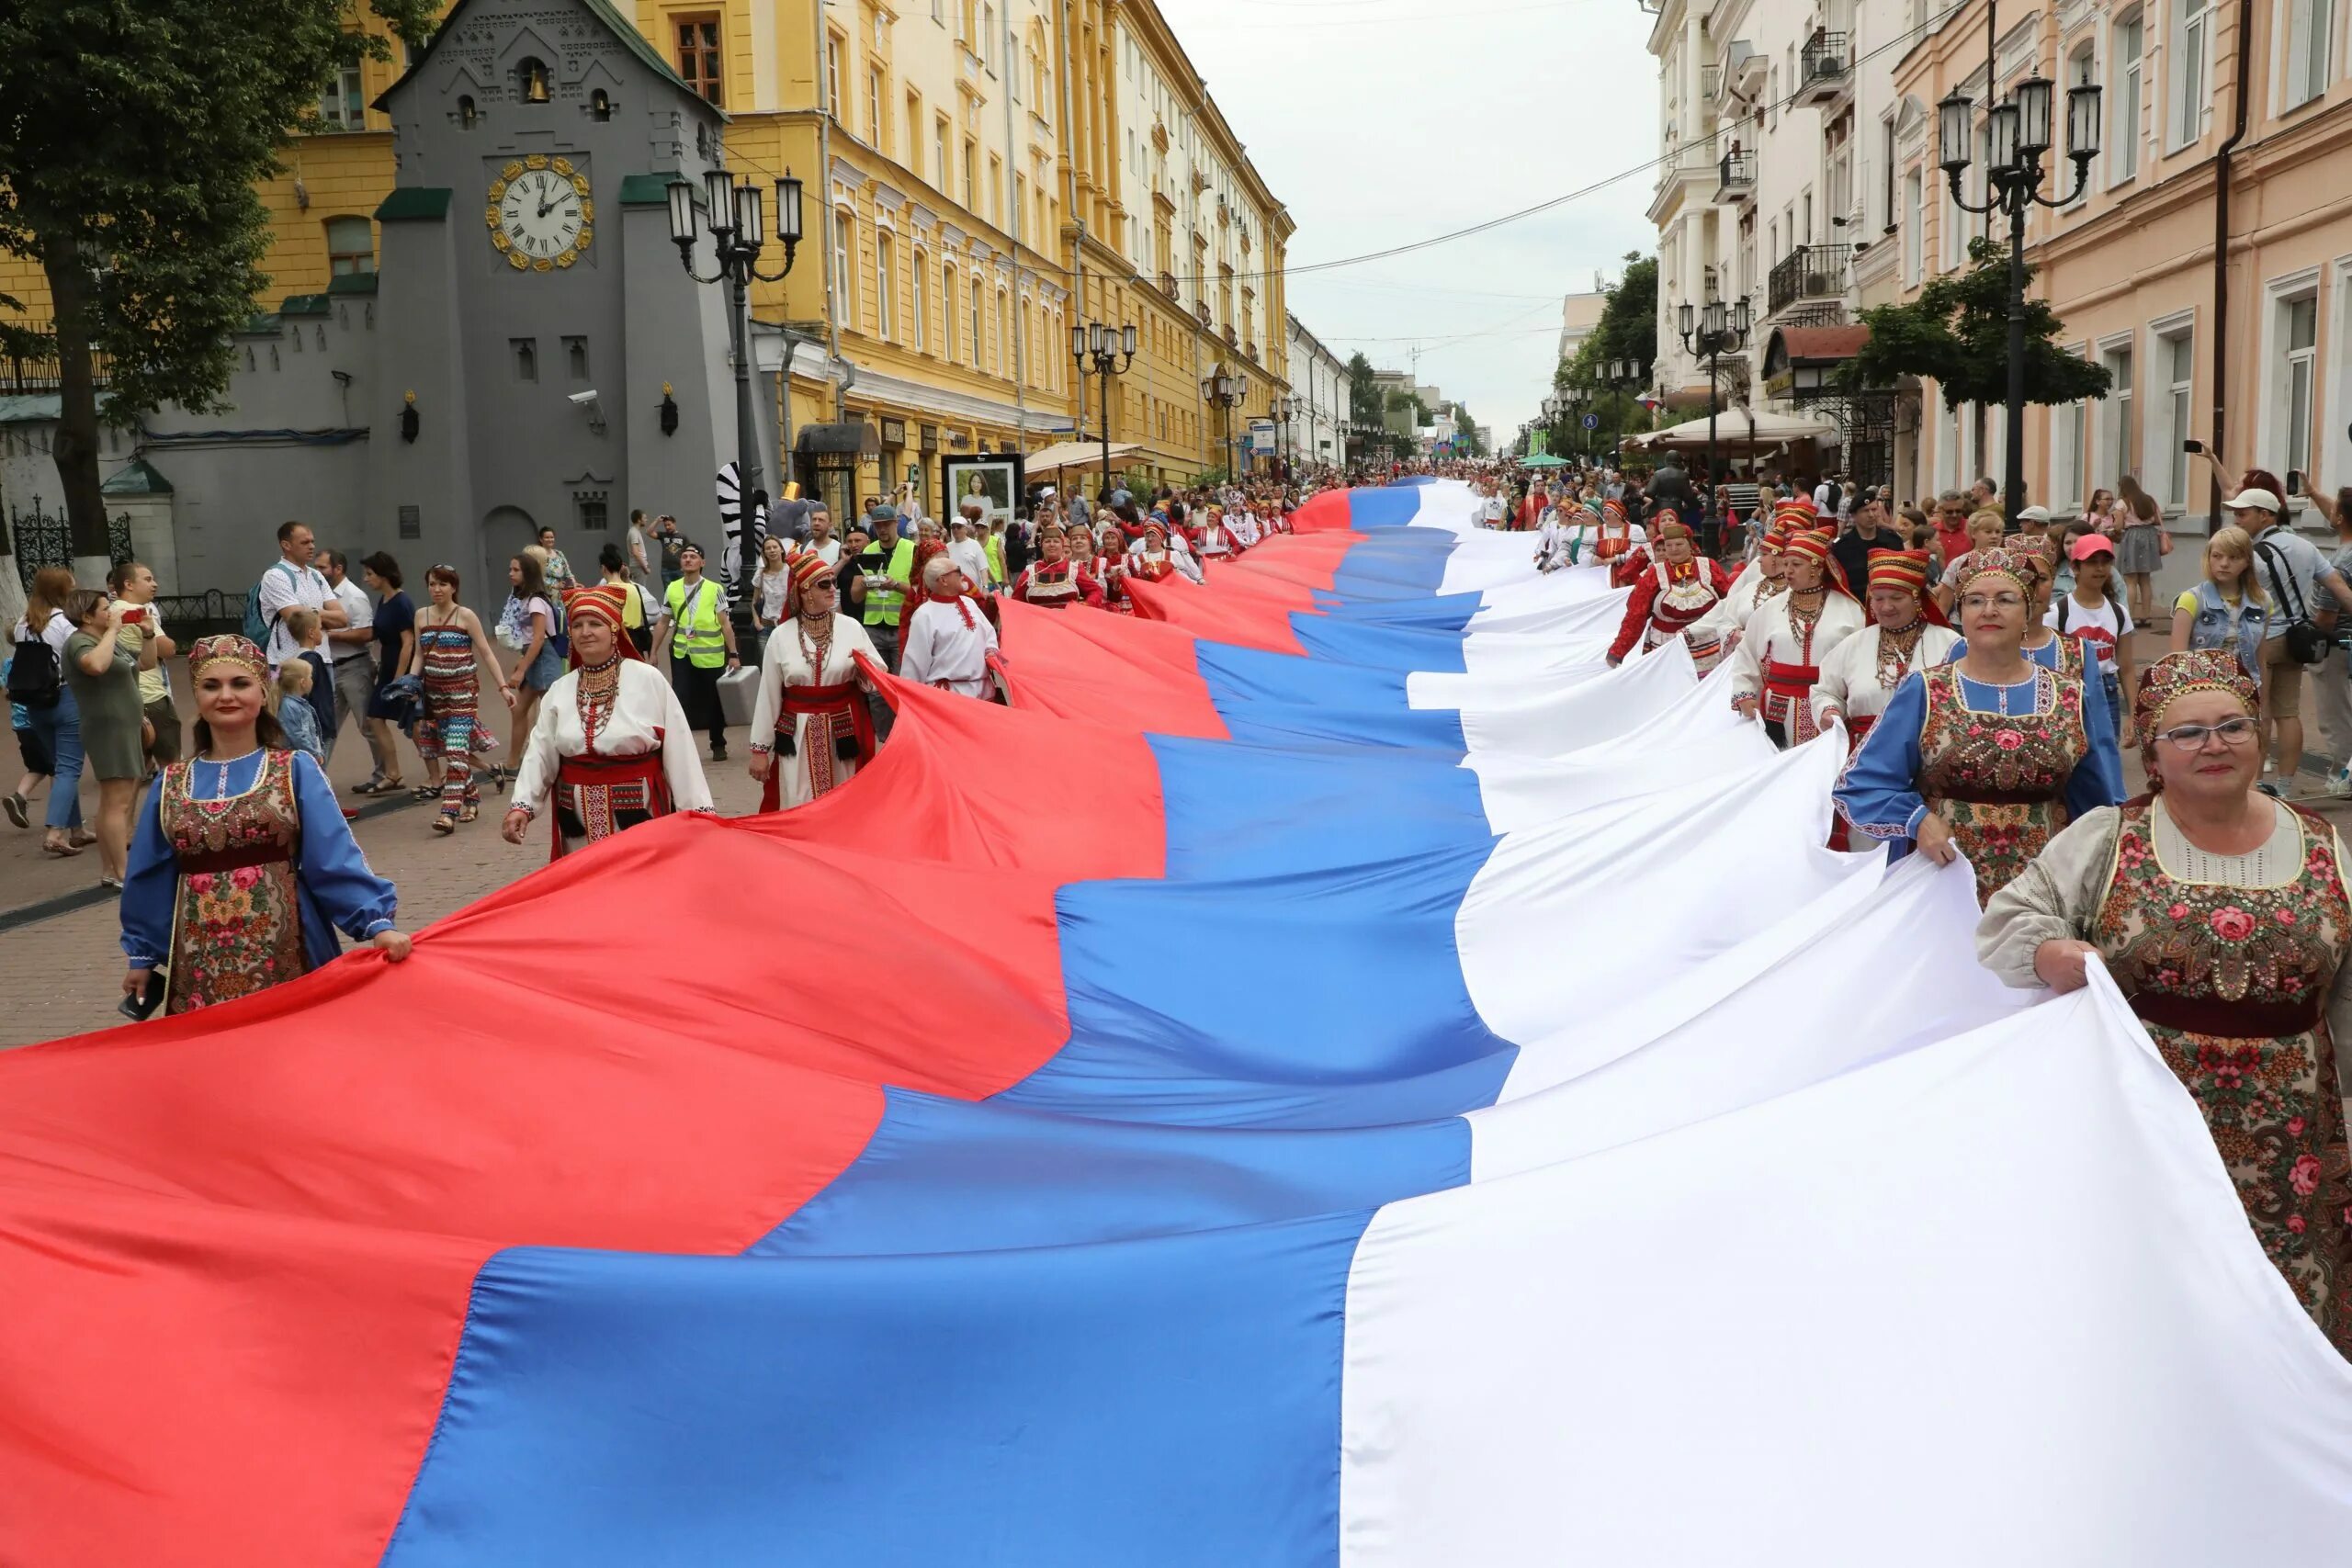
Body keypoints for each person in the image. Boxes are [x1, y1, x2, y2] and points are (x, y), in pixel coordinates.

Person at [1976, 649, 2351, 1356]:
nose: (2214, 744)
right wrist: (2052, 952)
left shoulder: (2324, 843)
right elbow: (2007, 919)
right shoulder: (2109, 837)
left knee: (2282, 1314)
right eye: (2188, 732)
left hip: (2292, 1138)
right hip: (2145, 1121)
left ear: (2261, 735)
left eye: (2232, 725)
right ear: (2152, 751)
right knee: (2153, 1301)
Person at [119, 634, 410, 1017]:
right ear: (197, 697)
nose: (226, 696)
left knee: (297, 1053)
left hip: (288, 942)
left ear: (262, 693)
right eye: (211, 686)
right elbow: (150, 874)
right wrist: (143, 957)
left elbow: (332, 854)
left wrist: (376, 924)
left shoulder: (294, 769)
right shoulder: (170, 782)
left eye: (240, 684)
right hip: (199, 957)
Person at [1836, 547, 2126, 907]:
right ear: (1961, 614)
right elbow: (1861, 782)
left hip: (2043, 886)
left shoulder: (2070, 695)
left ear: (2029, 612)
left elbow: (2097, 799)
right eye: (1975, 600)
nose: (1989, 610)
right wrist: (1918, 821)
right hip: (1943, 881)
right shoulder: (1925, 690)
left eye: (2005, 599)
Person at [501, 584, 713, 858]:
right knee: (585, 889)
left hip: (639, 814)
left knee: (639, 888)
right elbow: (540, 753)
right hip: (577, 821)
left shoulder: (647, 679)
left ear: (614, 630)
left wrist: (697, 812)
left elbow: (680, 749)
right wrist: (523, 805)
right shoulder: (561, 689)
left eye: (595, 624)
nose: (585, 632)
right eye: (577, 625)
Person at [2234, 485, 2352, 795]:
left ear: (2265, 515)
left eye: (2242, 514)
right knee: (2289, 714)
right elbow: (2338, 586)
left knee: (2259, 713)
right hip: (2295, 642)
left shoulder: (2250, 554)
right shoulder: (2306, 547)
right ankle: (2285, 786)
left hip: (2262, 641)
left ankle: (2255, 786)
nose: (2236, 519)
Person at [748, 553, 882, 810]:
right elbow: (768, 696)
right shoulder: (780, 636)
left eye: (834, 582)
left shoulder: (851, 627)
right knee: (801, 802)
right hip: (797, 732)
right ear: (805, 591)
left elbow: (877, 680)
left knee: (847, 803)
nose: (834, 589)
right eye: (824, 584)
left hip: (843, 728)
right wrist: (759, 749)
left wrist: (864, 668)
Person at [1726, 530, 1866, 749]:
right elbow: (1747, 654)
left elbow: (1862, 663)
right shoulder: (1770, 609)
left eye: (1796, 564)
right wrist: (1744, 694)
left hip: (1829, 710)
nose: (1787, 570)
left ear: (1817, 567)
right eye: (1786, 563)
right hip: (1778, 711)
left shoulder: (1849, 610)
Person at [404, 564, 513, 833]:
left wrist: (503, 687)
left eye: (442, 584)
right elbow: (419, 654)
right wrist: (410, 681)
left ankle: (448, 812)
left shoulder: (465, 616)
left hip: (463, 691)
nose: (436, 589)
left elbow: (487, 652)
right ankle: (472, 799)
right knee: (454, 751)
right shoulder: (421, 615)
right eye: (432, 584)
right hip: (435, 694)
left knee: (454, 750)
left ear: (453, 587)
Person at [60, 589, 143, 887]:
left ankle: (110, 869)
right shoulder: (81, 641)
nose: (112, 613)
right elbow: (95, 666)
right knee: (117, 802)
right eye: (106, 608)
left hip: (123, 725)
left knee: (112, 801)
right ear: (86, 616)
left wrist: (145, 634)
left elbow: (142, 665)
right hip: (108, 728)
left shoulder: (105, 639)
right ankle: (122, 871)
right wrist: (112, 631)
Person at [652, 542, 741, 761]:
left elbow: (725, 623)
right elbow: (663, 622)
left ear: (702, 563)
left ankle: (718, 743)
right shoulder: (672, 588)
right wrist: (654, 651)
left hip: (711, 654)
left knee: (714, 700)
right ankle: (679, 747)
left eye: (693, 556)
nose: (688, 560)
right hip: (682, 652)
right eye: (685, 557)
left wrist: (734, 653)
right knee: (680, 698)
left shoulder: (714, 589)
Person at [1607, 517, 1731, 670]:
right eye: (1668, 545)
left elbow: (1731, 601)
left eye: (1679, 544)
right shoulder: (1654, 574)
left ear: (1690, 545)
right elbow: (1635, 616)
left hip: (1710, 647)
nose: (1673, 549)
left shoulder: (1708, 566)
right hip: (1667, 647)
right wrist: (1617, 652)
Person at [2049, 535, 2136, 744]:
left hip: (2108, 693)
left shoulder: (2118, 612)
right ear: (2076, 568)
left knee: (2107, 754)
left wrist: (2134, 715)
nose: (2099, 569)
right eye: (2091, 562)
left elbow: (2126, 667)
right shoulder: (2057, 613)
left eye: (2105, 562)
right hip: (2071, 694)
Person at [2167, 525, 2267, 682]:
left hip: (2245, 691)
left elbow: (2260, 661)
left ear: (2247, 561)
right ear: (2208, 558)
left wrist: (2264, 702)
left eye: (2234, 557)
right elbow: (2177, 660)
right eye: (2217, 556)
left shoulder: (2262, 601)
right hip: (2202, 691)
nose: (2224, 563)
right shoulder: (2192, 599)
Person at [107, 560, 178, 774]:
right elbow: (168, 649)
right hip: (151, 695)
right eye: (147, 579)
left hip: (124, 694)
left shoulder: (111, 611)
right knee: (172, 767)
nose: (154, 584)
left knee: (138, 767)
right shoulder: (137, 612)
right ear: (128, 585)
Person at [356, 553, 415, 796]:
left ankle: (438, 774)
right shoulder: (384, 600)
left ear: (383, 575)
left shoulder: (401, 602)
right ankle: (393, 774)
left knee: (415, 723)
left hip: (400, 669)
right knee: (375, 716)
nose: (366, 579)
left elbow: (409, 642)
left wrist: (400, 679)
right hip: (387, 667)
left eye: (370, 574)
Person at [900, 554, 1001, 696]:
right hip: (950, 697)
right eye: (958, 571)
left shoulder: (969, 602)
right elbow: (914, 663)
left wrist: (991, 652)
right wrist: (910, 699)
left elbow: (989, 633)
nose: (963, 575)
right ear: (943, 580)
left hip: (984, 691)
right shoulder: (924, 615)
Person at [254, 520, 345, 672]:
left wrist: (311, 611)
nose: (312, 546)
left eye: (312, 542)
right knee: (291, 698)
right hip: (290, 664)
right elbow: (298, 621)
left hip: (323, 661)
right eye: (305, 542)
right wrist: (323, 618)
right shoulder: (275, 575)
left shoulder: (317, 575)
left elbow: (342, 619)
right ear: (286, 545)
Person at [318, 549, 379, 774]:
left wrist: (328, 635)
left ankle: (385, 773)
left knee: (368, 725)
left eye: (322, 567)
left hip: (355, 666)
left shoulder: (354, 596)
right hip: (332, 669)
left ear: (338, 569)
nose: (318, 572)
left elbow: (365, 634)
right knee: (327, 725)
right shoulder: (323, 594)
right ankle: (318, 774)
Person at [854, 505, 917, 671]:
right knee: (875, 685)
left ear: (896, 523)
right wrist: (867, 585)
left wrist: (895, 585)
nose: (882, 529)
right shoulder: (867, 551)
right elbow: (855, 596)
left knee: (900, 683)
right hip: (873, 627)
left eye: (886, 524)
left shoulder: (911, 550)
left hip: (901, 626)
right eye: (878, 525)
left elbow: (918, 593)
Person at [2113, 474, 2166, 623]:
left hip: (2132, 537)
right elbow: (2157, 519)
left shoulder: (2122, 503)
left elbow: (2118, 526)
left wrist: (2114, 528)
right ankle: (2146, 615)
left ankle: (2129, 616)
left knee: (2130, 580)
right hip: (2149, 536)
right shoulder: (2149, 500)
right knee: (2145, 579)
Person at [597, 541, 663, 660]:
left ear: (603, 568)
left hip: (615, 643)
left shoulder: (604, 592)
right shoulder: (635, 589)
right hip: (635, 642)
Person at [1828, 497, 1900, 593]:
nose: (1871, 515)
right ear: (1853, 515)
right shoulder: (1841, 546)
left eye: (1874, 510)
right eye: (1865, 511)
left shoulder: (1893, 541)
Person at [274, 658, 327, 766]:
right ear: (303, 682)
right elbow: (297, 735)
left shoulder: (301, 705)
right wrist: (314, 753)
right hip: (297, 760)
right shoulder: (289, 706)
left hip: (305, 757)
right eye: (310, 677)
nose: (312, 681)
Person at [751, 535, 795, 633]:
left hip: (787, 625)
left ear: (782, 550)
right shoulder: (760, 574)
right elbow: (754, 601)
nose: (772, 550)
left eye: (775, 547)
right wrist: (757, 623)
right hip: (766, 625)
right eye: (768, 548)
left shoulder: (791, 571)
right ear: (764, 553)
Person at [536, 526, 577, 592]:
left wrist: (574, 583)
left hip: (564, 589)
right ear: (541, 539)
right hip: (548, 591)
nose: (550, 540)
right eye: (547, 538)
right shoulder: (538, 555)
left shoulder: (559, 553)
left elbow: (568, 572)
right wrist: (554, 585)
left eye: (552, 537)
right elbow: (537, 577)